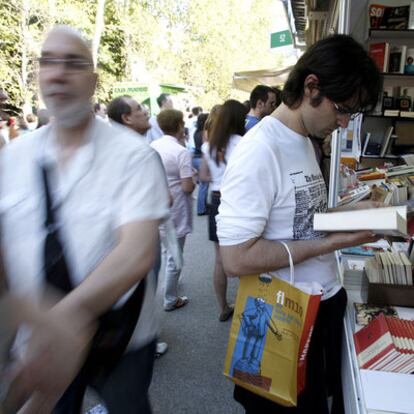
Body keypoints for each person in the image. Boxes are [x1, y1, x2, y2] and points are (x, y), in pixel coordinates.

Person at [0, 25, 169, 413]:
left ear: (93, 82)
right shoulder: (12, 160)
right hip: (37, 341)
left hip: (119, 338)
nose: (58, 73)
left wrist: (59, 324)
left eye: (73, 63)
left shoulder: (133, 156)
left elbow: (137, 252)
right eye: (48, 62)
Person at [217, 34, 382, 414]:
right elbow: (237, 259)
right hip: (281, 322)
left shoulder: (304, 140)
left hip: (319, 306)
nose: (342, 124)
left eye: (350, 115)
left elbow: (304, 222)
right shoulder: (260, 150)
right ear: (311, 87)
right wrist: (333, 243)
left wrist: (354, 215)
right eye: (341, 109)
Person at [107, 95, 169, 358]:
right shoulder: (142, 151)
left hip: (113, 238)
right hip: (139, 237)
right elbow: (165, 199)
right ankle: (142, 343)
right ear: (126, 118)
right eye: (139, 109)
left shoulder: (106, 148)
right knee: (142, 289)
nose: (146, 112)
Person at [199, 99, 247, 321]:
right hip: (238, 199)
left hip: (215, 200)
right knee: (248, 252)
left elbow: (203, 177)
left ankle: (223, 307)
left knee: (220, 258)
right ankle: (248, 303)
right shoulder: (243, 143)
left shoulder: (208, 146)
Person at [151, 109, 194, 311]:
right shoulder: (181, 152)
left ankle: (172, 284)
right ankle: (170, 298)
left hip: (156, 204)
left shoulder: (152, 146)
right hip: (177, 207)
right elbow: (187, 186)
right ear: (179, 126)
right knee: (174, 255)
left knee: (165, 250)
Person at [193, 112, 209, 215]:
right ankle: (201, 208)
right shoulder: (205, 133)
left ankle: (202, 205)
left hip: (195, 158)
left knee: (203, 185)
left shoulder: (196, 132)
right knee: (204, 185)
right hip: (201, 159)